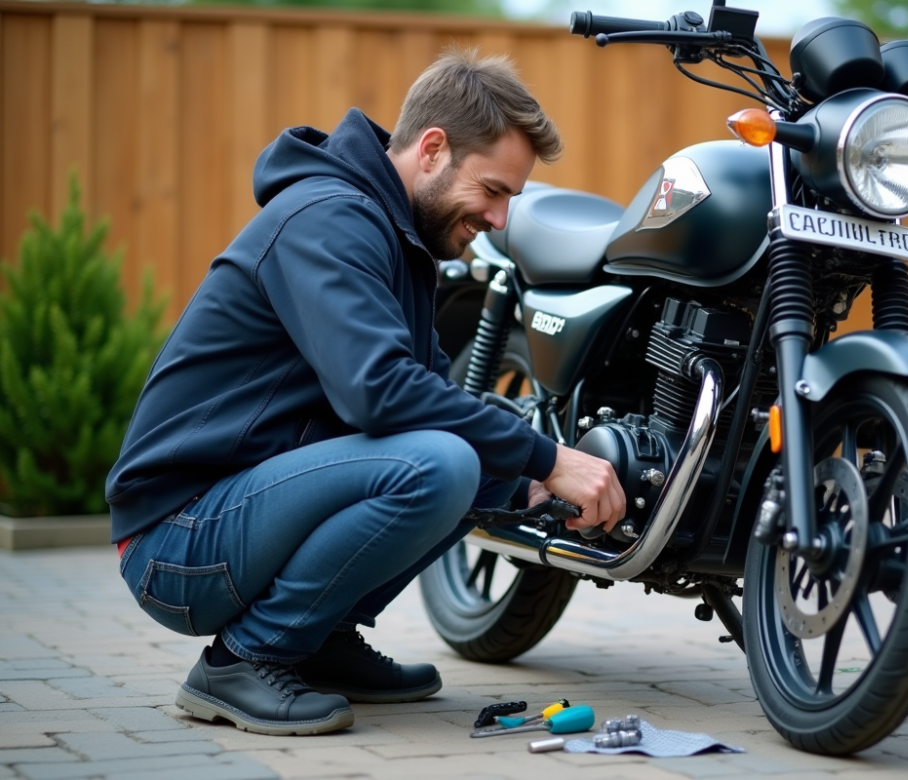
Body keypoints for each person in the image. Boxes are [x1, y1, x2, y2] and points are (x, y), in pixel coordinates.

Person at [106, 50, 625, 736]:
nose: (502, 220)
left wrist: (527, 482)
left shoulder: (397, 236)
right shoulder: (328, 218)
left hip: (236, 510)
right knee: (441, 465)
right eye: (495, 190)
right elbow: (378, 392)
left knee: (476, 459)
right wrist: (549, 458)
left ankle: (318, 642)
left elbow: (435, 394)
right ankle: (242, 661)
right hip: (176, 540)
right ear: (433, 148)